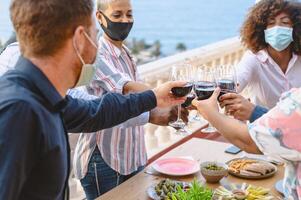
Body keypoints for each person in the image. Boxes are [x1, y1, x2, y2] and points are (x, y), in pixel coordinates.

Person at [0, 0, 187, 199]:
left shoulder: (43, 95)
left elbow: (95, 112)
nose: (98, 45)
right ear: (81, 38)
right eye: (95, 35)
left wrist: (154, 97)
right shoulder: (19, 110)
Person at [73, 0, 188, 198]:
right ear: (100, 17)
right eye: (117, 15)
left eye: (129, 14)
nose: (125, 20)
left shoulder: (126, 54)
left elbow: (140, 103)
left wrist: (169, 108)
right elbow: (125, 88)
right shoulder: (96, 54)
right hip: (104, 160)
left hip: (133, 157)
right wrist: (169, 96)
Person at [220, 0, 301, 121]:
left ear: (295, 27)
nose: (277, 28)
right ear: (261, 28)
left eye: (285, 22)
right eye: (271, 23)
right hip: (262, 133)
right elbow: (235, 81)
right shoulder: (253, 59)